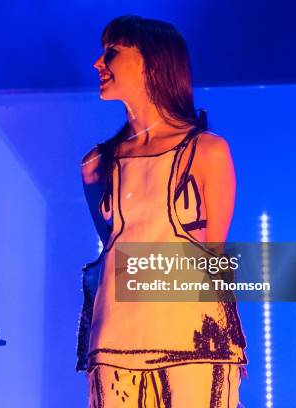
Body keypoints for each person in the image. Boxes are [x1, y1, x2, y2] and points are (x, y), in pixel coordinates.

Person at [77, 15, 248, 407]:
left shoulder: (208, 151)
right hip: (113, 344)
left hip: (194, 343)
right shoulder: (95, 165)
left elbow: (213, 257)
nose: (98, 63)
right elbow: (115, 251)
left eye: (111, 53)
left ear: (149, 61)